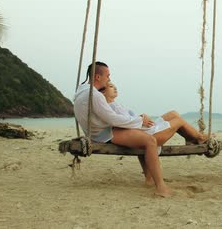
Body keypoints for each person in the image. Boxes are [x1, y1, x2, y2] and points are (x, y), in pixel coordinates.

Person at [73, 61, 173, 197]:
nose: (109, 79)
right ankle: (161, 186)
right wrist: (140, 121)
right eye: (107, 76)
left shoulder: (81, 91)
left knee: (144, 139)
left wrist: (137, 121)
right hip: (103, 134)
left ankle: (149, 180)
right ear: (97, 77)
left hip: (96, 131)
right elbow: (112, 118)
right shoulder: (94, 95)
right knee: (150, 141)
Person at [99, 82, 210, 147]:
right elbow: (120, 122)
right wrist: (141, 118)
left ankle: (190, 139)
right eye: (110, 86)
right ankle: (200, 137)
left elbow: (129, 118)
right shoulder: (108, 108)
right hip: (144, 133)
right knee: (179, 121)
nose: (115, 87)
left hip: (144, 128)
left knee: (173, 113)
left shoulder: (117, 105)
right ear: (103, 92)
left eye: (114, 86)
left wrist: (141, 116)